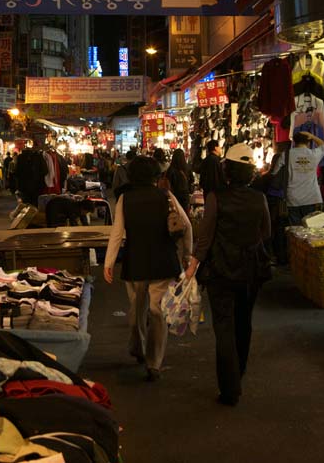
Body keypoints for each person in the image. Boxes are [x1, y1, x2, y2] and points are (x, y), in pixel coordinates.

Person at [185, 143, 271, 406]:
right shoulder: (260, 198)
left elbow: (206, 236)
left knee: (224, 326)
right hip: (251, 270)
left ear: (228, 170)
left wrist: (192, 266)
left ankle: (230, 387)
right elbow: (265, 232)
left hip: (221, 269)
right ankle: (239, 372)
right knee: (244, 322)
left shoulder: (216, 197)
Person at [104, 156, 193, 381]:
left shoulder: (125, 199)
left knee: (137, 309)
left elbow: (117, 233)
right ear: (155, 176)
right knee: (157, 312)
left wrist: (109, 263)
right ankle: (154, 362)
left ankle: (139, 349)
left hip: (136, 262)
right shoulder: (166, 196)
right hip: (163, 260)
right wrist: (186, 254)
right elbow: (187, 226)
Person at [273, 131, 324, 225]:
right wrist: (313, 136)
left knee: (295, 230)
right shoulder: (314, 154)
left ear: (294, 142)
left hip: (293, 197)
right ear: (308, 142)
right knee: (311, 228)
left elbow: (275, 172)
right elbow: (323, 146)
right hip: (311, 197)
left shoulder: (286, 154)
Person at [165, 148, 192, 213]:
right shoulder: (186, 168)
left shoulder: (170, 169)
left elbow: (168, 183)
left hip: (174, 196)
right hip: (185, 196)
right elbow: (192, 180)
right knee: (184, 215)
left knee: (175, 216)